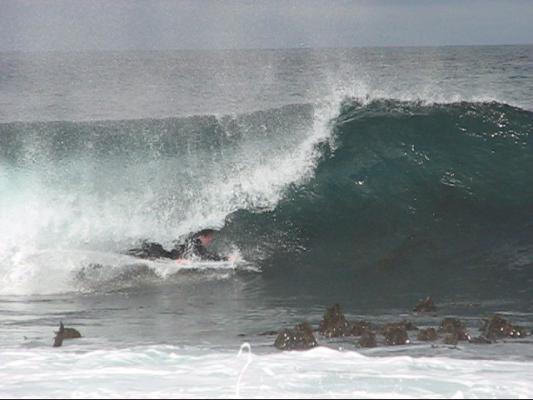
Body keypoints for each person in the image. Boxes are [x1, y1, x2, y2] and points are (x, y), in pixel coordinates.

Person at [127, 229, 229, 262]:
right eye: (210, 238)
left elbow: (205, 254)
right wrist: (178, 258)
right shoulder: (194, 242)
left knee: (137, 253)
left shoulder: (192, 240)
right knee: (143, 254)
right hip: (157, 250)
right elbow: (204, 254)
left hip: (156, 249)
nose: (211, 240)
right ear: (204, 236)